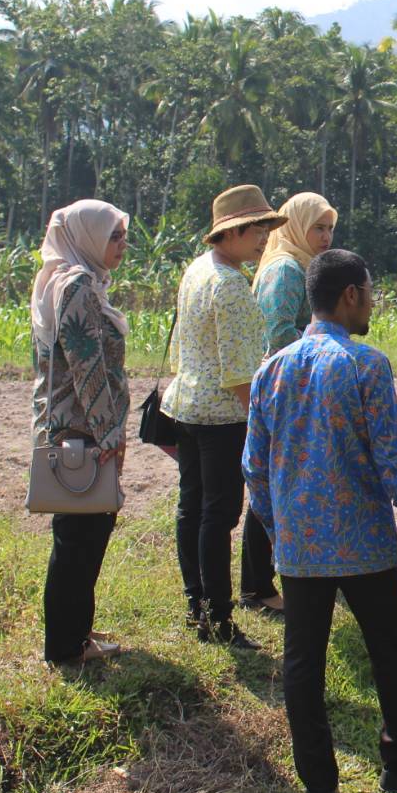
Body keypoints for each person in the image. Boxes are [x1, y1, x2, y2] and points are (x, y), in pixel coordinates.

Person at [243, 249, 397, 793]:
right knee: (390, 654)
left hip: (301, 549)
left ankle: (319, 787)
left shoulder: (271, 370)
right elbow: (393, 458)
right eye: (370, 291)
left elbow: (254, 467)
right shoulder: (365, 365)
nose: (372, 302)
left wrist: (279, 531)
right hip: (365, 546)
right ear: (350, 295)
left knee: (303, 664)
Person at [162, 184, 285, 650]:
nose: (263, 238)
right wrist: (261, 425)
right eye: (256, 229)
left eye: (267, 229)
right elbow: (239, 375)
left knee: (192, 508)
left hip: (187, 407)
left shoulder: (200, 269)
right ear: (230, 232)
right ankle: (217, 617)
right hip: (220, 416)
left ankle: (198, 606)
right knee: (219, 514)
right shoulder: (231, 285)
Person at [30, 199, 132, 667]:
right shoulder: (76, 286)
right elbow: (85, 365)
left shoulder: (74, 279)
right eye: (112, 236)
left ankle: (76, 631)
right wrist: (110, 435)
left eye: (122, 235)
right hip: (84, 434)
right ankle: (67, 647)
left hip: (79, 429)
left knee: (82, 536)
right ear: (86, 237)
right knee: (80, 540)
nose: (121, 245)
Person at [239, 191, 338, 617]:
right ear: (297, 226)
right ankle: (257, 587)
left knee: (280, 485)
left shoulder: (300, 267)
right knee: (273, 487)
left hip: (295, 388)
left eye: (330, 228)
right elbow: (278, 332)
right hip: (286, 392)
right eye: (318, 227)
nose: (326, 236)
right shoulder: (286, 270)